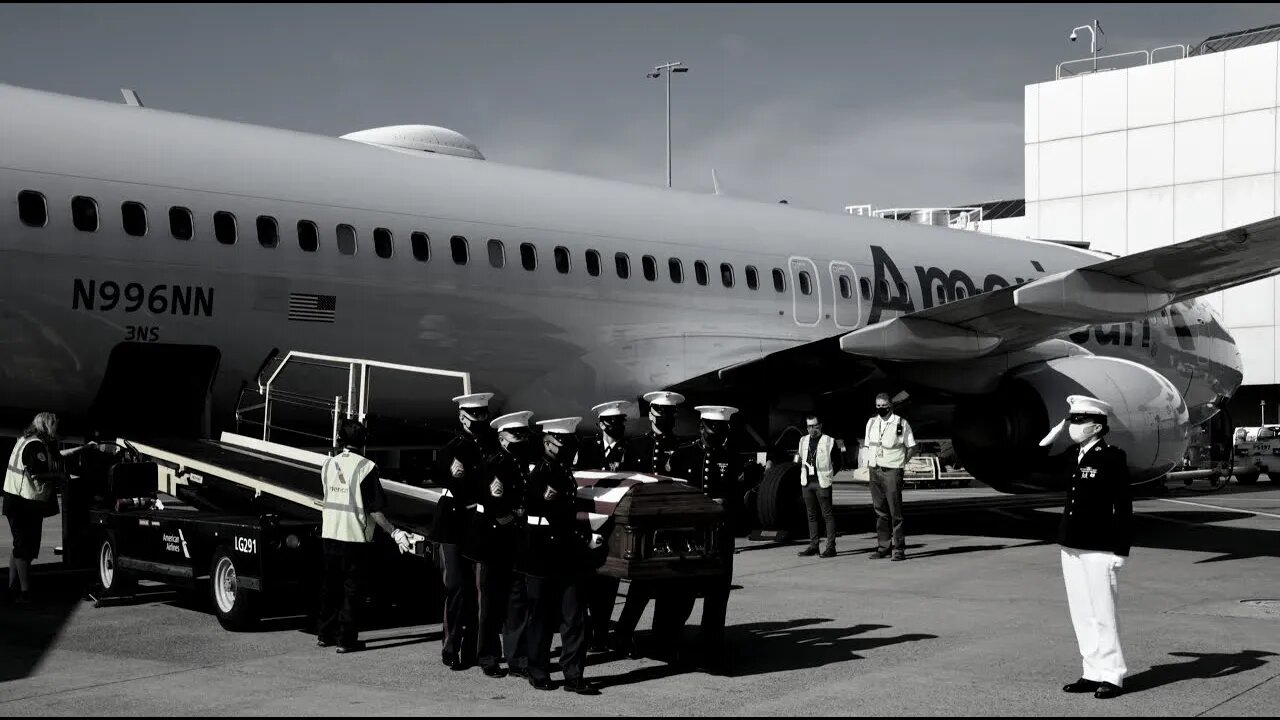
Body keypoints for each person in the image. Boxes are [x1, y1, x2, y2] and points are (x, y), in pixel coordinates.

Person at [1039, 395, 1132, 700]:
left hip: (1099, 546)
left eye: (1078, 422)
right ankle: (1092, 671)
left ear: (1096, 426)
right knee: (1081, 612)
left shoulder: (1112, 457)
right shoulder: (1072, 455)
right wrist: (1051, 435)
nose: (1073, 427)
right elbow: (1040, 463)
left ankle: (1113, 675)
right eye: (1071, 421)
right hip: (1071, 543)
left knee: (1103, 613)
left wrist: (1121, 550)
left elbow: (1123, 506)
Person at [517, 417, 599, 694]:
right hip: (542, 549)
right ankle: (537, 670)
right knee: (540, 615)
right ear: (546, 442)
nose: (562, 446)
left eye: (567, 441)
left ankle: (574, 674)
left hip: (565, 550)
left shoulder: (563, 471)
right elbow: (555, 512)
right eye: (558, 441)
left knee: (574, 616)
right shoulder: (540, 473)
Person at [317, 419, 408, 653]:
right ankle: (346, 641)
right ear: (363, 442)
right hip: (354, 538)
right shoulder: (366, 467)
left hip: (329, 534)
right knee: (351, 591)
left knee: (330, 587)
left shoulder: (328, 464)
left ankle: (324, 634)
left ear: (340, 439)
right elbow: (375, 509)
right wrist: (394, 532)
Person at [666, 404, 744, 673]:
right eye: (714, 428)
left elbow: (739, 497)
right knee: (682, 595)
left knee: (717, 596)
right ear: (701, 427)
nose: (718, 433)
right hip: (690, 537)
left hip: (720, 537)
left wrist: (726, 504)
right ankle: (673, 645)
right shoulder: (683, 456)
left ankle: (712, 650)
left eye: (723, 429)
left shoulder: (732, 457)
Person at [611, 390, 687, 657]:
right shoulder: (635, 446)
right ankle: (623, 635)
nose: (665, 417)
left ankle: (663, 638)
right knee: (641, 585)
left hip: (674, 526)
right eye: (660, 412)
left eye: (669, 413)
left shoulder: (682, 448)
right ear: (651, 413)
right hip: (645, 526)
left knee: (672, 586)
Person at [430, 392, 498, 671]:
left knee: (483, 592)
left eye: (483, 415)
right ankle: (451, 646)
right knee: (457, 587)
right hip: (454, 524)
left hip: (480, 524)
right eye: (474, 416)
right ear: (462, 418)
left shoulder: (493, 447)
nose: (480, 420)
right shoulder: (452, 448)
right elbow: (450, 481)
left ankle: (484, 654)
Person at [465, 410, 534, 679]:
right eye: (517, 434)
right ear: (503, 438)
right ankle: (488, 656)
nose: (522, 439)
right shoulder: (494, 464)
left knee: (517, 602)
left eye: (524, 433)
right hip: (492, 541)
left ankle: (518, 658)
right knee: (490, 604)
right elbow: (495, 504)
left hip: (513, 542)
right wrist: (517, 516)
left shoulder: (521, 463)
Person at [3, 412, 95, 604]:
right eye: (54, 424)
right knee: (24, 549)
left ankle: (13, 588)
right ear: (46, 425)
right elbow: (37, 473)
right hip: (23, 503)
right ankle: (26, 593)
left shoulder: (30, 440)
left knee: (19, 547)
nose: (57, 428)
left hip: (17, 501)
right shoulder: (35, 445)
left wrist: (83, 448)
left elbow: (56, 456)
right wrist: (60, 477)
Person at [573, 400, 633, 653]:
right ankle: (586, 630)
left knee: (609, 581)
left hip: (615, 525)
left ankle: (600, 633)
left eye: (620, 422)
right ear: (601, 425)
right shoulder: (586, 447)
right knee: (585, 579)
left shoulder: (631, 450)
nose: (616, 426)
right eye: (611, 422)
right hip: (588, 522)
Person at [863, 393, 916, 561]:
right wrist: (868, 465)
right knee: (880, 511)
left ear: (890, 405)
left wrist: (901, 463)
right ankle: (883, 546)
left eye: (883, 405)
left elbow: (911, 446)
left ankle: (898, 548)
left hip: (892, 471)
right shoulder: (871, 423)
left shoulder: (900, 423)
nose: (880, 408)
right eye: (877, 405)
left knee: (895, 512)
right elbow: (866, 445)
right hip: (875, 470)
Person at [796, 415, 842, 558]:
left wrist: (829, 475)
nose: (811, 429)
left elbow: (838, 462)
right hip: (807, 482)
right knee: (811, 515)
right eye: (808, 426)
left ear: (820, 425)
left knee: (827, 515)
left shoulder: (829, 441)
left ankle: (831, 547)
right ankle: (814, 545)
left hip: (822, 482)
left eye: (814, 426)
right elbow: (801, 458)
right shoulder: (802, 440)